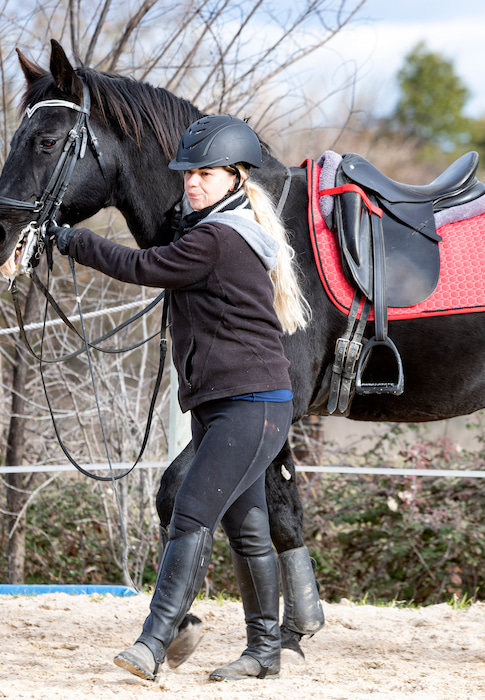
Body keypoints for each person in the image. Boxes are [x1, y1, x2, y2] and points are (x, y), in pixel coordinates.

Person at [49, 114, 310, 682]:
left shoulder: (217, 238)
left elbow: (144, 266)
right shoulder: (221, 229)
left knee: (191, 512)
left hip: (249, 405)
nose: (193, 182)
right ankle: (265, 653)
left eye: (207, 174)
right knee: (246, 527)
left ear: (236, 178)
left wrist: (74, 240)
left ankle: (152, 641)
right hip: (234, 404)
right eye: (189, 173)